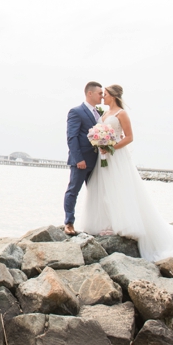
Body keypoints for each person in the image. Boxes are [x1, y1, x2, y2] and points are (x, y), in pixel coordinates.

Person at [78, 84, 173, 288]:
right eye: (102, 94)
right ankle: (106, 220)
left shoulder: (121, 113)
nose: (103, 97)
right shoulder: (104, 112)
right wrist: (99, 143)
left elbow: (129, 137)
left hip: (116, 157)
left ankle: (121, 222)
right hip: (105, 158)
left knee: (120, 188)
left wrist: (110, 147)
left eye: (106, 94)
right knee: (104, 188)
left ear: (114, 96)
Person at [63, 81, 104, 236]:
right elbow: (72, 137)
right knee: (73, 190)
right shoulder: (76, 111)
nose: (102, 96)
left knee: (96, 193)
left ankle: (95, 224)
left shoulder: (98, 113)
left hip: (96, 161)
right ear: (90, 93)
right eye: (100, 93)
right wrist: (78, 158)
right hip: (81, 161)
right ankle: (69, 223)